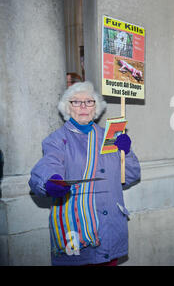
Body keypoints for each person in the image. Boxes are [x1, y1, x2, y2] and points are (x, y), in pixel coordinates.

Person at [29, 81, 141, 266]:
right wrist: (51, 180)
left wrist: (126, 153)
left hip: (109, 230)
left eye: (89, 101)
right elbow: (49, 163)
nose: (83, 106)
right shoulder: (57, 140)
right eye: (76, 102)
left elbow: (129, 176)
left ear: (96, 108)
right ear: (67, 107)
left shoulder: (109, 137)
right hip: (77, 231)